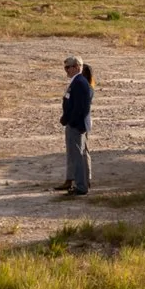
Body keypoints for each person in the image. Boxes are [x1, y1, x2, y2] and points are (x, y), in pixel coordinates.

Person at [58, 55, 93, 195]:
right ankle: (81, 183)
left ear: (77, 67)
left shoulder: (79, 82)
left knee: (78, 155)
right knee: (79, 154)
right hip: (76, 124)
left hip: (76, 125)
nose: (66, 70)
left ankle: (81, 186)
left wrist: (71, 121)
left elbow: (81, 108)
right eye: (65, 67)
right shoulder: (78, 81)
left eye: (68, 67)